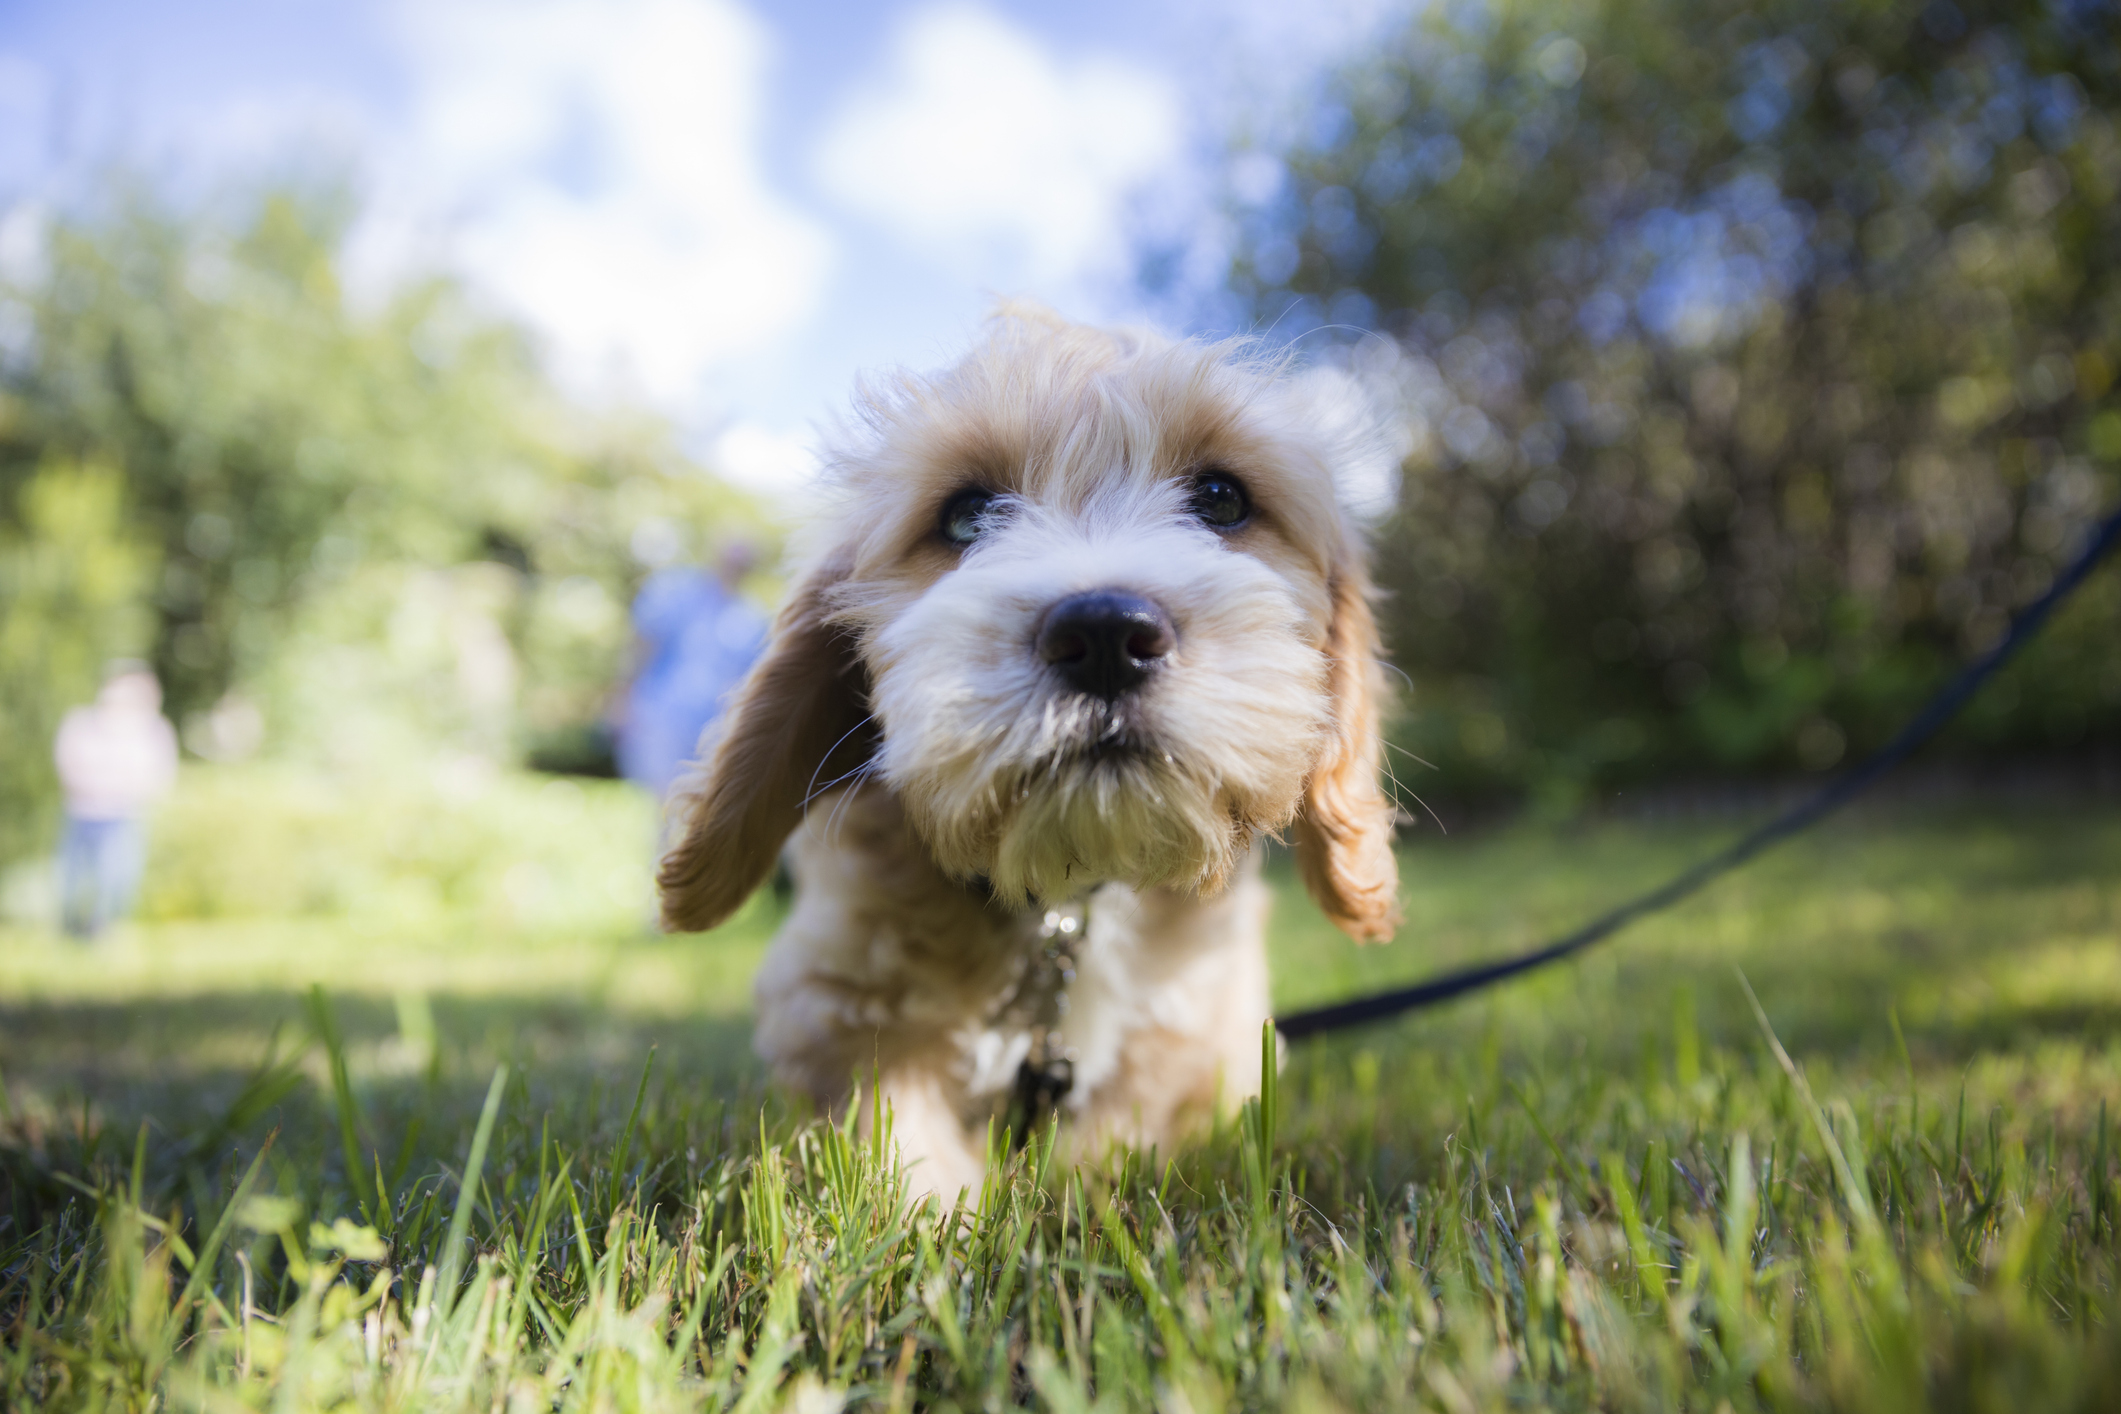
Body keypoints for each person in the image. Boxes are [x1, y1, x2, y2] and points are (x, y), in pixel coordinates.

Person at [615, 542, 769, 801]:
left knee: (696, 803)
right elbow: (643, 645)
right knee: (666, 799)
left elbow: (746, 680)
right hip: (660, 715)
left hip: (711, 728)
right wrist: (622, 697)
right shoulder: (674, 592)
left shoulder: (751, 617)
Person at [53, 661, 179, 939]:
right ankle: (71, 932)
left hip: (123, 816)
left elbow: (158, 777)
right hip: (81, 812)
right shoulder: (82, 721)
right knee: (72, 882)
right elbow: (69, 764)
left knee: (116, 881)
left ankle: (103, 932)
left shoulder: (151, 729)